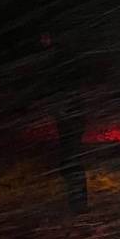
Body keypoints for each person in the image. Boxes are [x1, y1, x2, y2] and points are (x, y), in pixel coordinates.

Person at [37, 31, 88, 214]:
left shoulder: (58, 60)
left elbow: (61, 85)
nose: (42, 41)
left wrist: (62, 106)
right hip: (70, 111)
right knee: (71, 156)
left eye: (45, 38)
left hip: (69, 112)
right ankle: (77, 200)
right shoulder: (62, 59)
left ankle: (78, 202)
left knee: (71, 157)